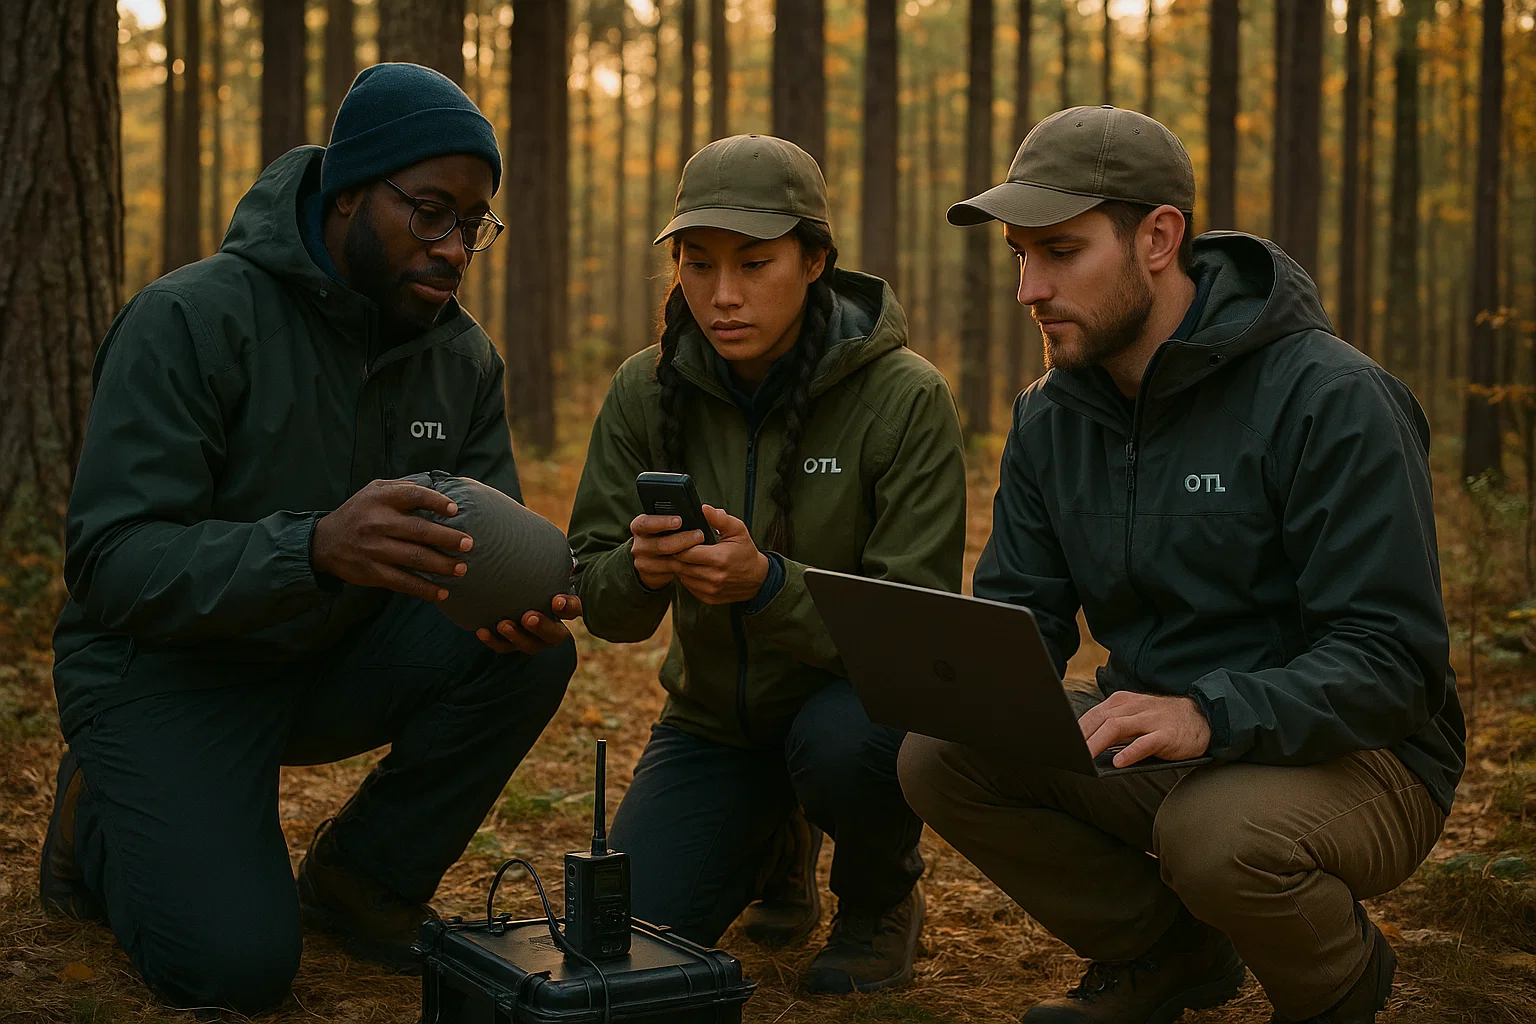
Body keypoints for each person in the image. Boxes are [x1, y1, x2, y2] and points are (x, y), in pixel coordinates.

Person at [897, 105, 1464, 1024]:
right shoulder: (1052, 416)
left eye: (1061, 252)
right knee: (940, 757)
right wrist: (950, 677)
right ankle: (1168, 954)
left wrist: (1212, 711)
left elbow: (1393, 663)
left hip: (1363, 754)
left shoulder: (1330, 398)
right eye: (1019, 256)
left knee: (1214, 834)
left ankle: (1337, 986)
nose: (1029, 290)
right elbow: (1023, 625)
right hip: (1159, 740)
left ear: (1159, 237)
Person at [39, 64, 580, 1014]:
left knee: (526, 660)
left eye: (473, 225)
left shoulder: (461, 360)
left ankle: (361, 885)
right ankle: (97, 816)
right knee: (236, 971)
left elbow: (481, 541)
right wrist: (315, 546)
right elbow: (109, 562)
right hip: (166, 669)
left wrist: (516, 602)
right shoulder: (192, 319)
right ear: (348, 193)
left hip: (326, 658)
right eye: (430, 213)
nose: (455, 248)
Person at [566, 134, 966, 994]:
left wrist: (770, 586)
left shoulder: (904, 397)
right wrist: (639, 570)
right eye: (697, 264)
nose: (722, 295)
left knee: (846, 744)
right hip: (713, 725)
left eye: (754, 264)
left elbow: (917, 629)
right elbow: (601, 598)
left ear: (815, 259)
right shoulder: (647, 387)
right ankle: (773, 846)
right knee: (621, 950)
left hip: (849, 715)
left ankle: (877, 901)